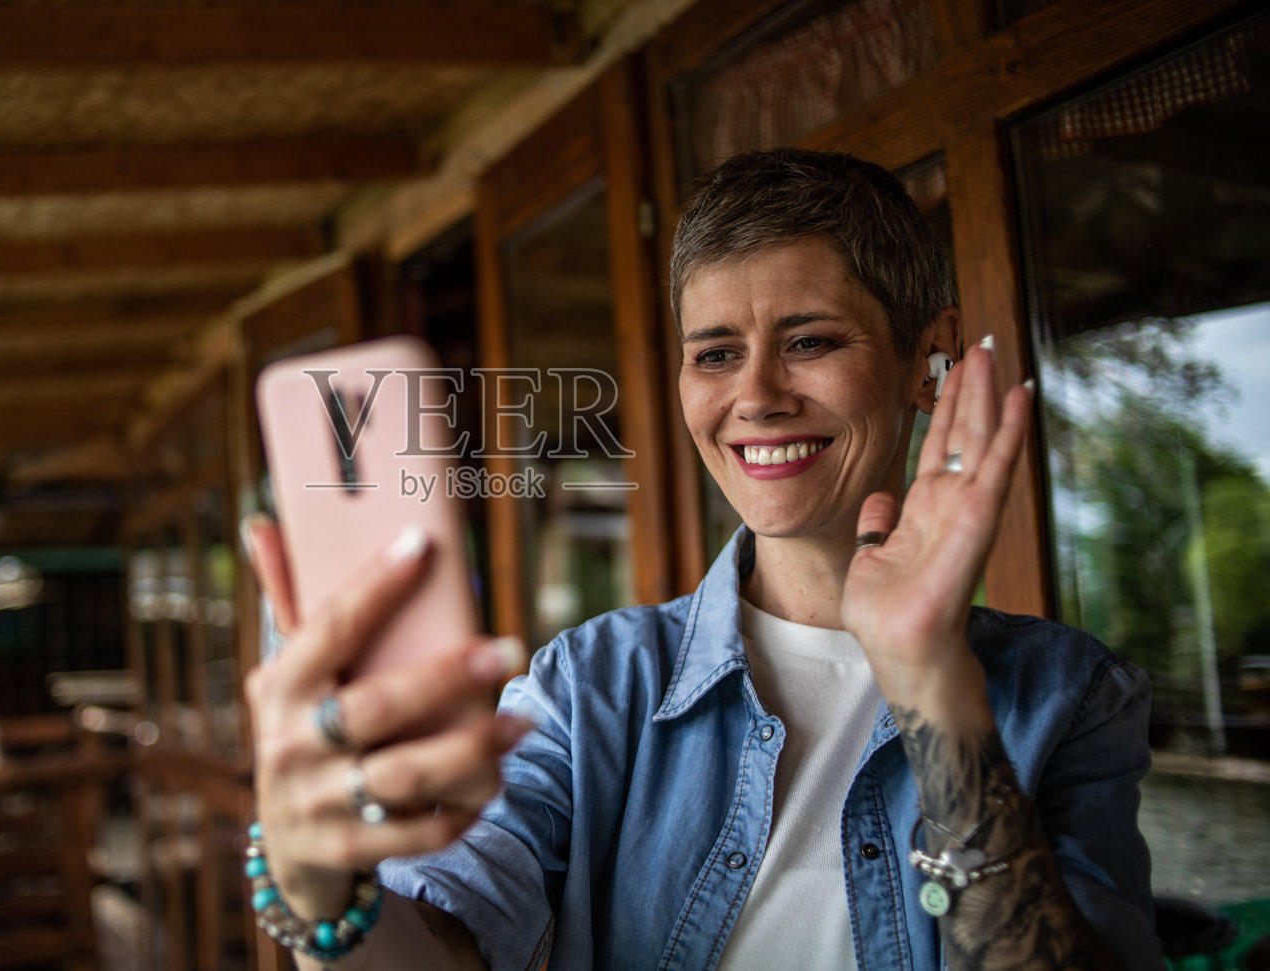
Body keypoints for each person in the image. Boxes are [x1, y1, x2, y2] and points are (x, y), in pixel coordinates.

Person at [242, 148, 1160, 970]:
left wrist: (932, 684)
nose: (754, 396)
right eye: (716, 353)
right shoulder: (591, 687)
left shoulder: (1069, 695)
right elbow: (445, 945)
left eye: (809, 341)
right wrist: (325, 892)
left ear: (929, 359)